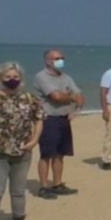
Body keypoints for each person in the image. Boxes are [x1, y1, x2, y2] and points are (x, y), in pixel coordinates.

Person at [0, 63, 44, 220]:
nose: (12, 80)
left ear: (21, 78)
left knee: (18, 191)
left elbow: (39, 119)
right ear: (0, 79)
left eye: (15, 77)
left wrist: (34, 140)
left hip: (23, 153)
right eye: (8, 77)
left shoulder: (29, 99)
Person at [33, 49, 84, 199]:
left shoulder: (66, 78)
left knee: (60, 154)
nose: (60, 60)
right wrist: (72, 97)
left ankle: (57, 183)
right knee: (46, 154)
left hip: (63, 119)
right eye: (56, 58)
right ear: (47, 61)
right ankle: (43, 186)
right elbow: (55, 97)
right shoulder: (41, 77)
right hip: (48, 119)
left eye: (62, 58)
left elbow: (80, 96)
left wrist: (76, 109)